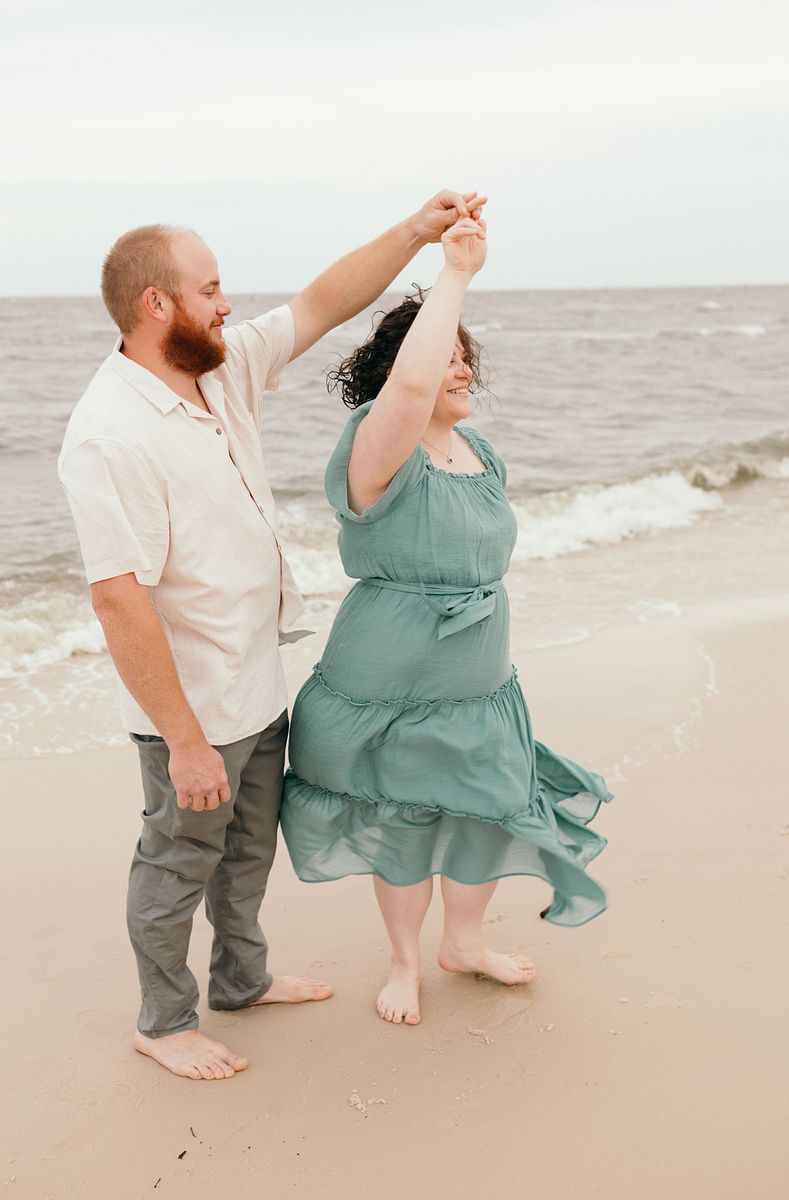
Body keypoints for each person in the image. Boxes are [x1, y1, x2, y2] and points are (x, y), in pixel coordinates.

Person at [58, 189, 483, 1080]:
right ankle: (165, 1022)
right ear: (156, 305)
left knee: (248, 853)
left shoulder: (217, 368)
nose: (226, 303)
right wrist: (182, 740)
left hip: (258, 682)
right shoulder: (109, 434)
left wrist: (416, 230)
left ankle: (241, 980)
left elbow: (323, 304)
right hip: (193, 710)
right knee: (177, 864)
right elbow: (118, 601)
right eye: (210, 289)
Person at [281, 212, 613, 1026]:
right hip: (388, 682)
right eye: (446, 356)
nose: (459, 370)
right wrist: (456, 272)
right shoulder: (378, 446)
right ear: (404, 370)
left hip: (477, 680)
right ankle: (404, 963)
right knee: (401, 821)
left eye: (467, 356)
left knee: (486, 805)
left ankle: (463, 943)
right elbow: (413, 390)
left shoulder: (483, 454)